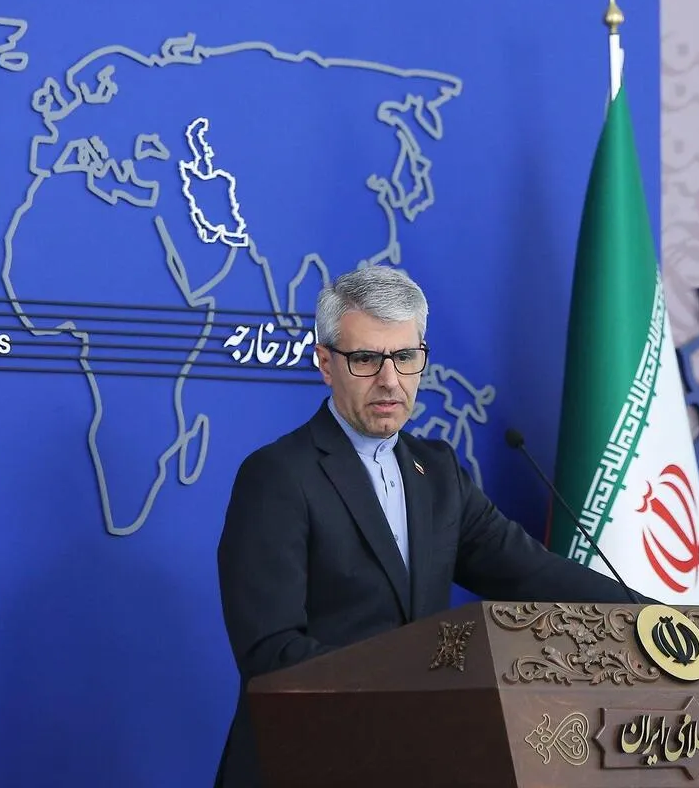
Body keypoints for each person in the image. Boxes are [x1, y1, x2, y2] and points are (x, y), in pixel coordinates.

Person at [213, 265, 645, 787]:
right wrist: (413, 689)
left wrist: (653, 618)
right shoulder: (278, 476)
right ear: (326, 364)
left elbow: (530, 572)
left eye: (405, 357)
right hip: (306, 764)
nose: (389, 380)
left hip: (414, 764)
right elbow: (271, 652)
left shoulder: (437, 472)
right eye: (366, 359)